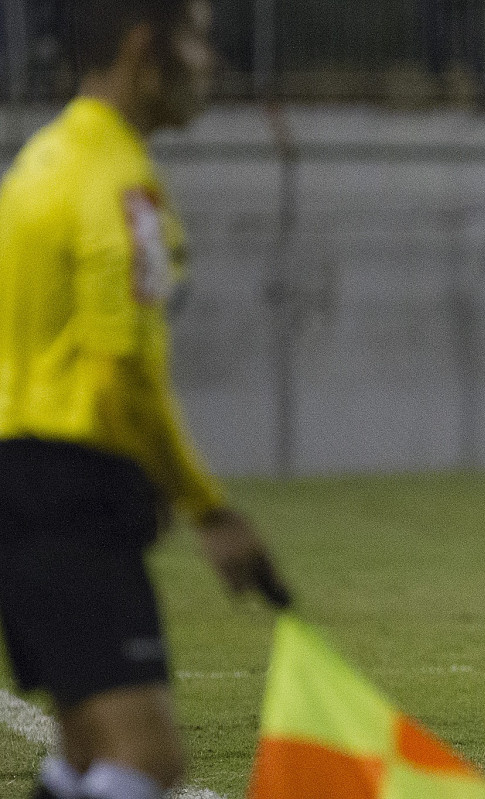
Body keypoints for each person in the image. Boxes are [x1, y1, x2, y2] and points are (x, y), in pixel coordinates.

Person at [0, 3, 291, 799]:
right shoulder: (117, 184)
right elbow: (121, 374)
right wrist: (208, 507)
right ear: (142, 47)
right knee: (147, 759)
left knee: (89, 752)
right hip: (71, 483)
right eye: (195, 38)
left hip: (21, 479)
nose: (210, 62)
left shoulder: (44, 160)